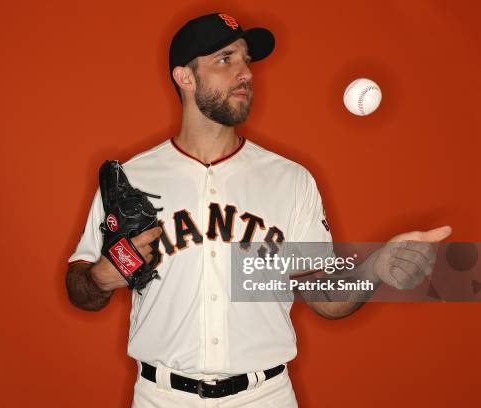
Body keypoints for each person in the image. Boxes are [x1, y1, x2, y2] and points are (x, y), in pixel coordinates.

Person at [65, 12, 451, 407]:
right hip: (161, 397)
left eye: (246, 60)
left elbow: (324, 298)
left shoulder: (290, 180)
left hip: (264, 396)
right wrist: (98, 278)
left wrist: (376, 270)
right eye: (225, 59)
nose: (245, 73)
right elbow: (79, 289)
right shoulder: (133, 177)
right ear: (185, 78)